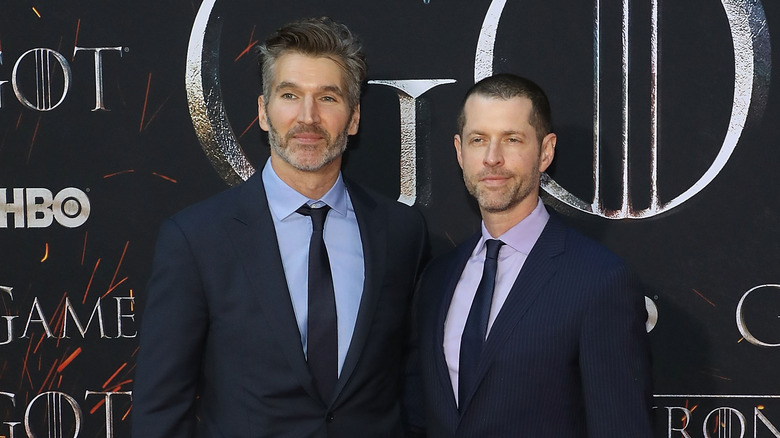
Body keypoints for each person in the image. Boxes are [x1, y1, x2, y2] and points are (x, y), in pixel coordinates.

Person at [132, 17, 428, 438]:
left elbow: (415, 383)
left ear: (354, 116)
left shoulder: (401, 232)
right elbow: (161, 409)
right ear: (263, 112)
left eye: (328, 97)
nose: (308, 117)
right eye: (290, 95)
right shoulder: (197, 239)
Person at [415, 73, 653, 437]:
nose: (492, 159)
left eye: (512, 140)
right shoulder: (437, 278)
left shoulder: (600, 280)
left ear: (545, 151)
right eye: (479, 140)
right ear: (460, 152)